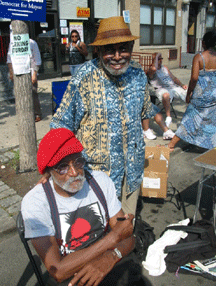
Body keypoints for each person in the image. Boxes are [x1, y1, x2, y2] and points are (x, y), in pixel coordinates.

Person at [49, 16, 156, 216]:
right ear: (99, 50)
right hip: (96, 179)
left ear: (132, 46)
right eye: (109, 50)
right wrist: (51, 168)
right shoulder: (84, 77)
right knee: (99, 237)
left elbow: (145, 112)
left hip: (131, 172)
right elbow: (60, 126)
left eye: (123, 48)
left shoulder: (138, 74)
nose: (117, 56)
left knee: (126, 228)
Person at [21, 128, 136, 286]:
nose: (74, 172)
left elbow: (128, 237)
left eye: (78, 162)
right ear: (49, 171)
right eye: (62, 167)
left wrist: (110, 257)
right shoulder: (36, 202)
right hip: (72, 274)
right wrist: (111, 238)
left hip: (109, 259)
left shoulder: (100, 181)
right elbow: (58, 271)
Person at [168, 30, 216, 152]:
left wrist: (189, 93)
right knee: (210, 120)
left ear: (203, 43)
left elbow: (194, 78)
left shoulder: (199, 57)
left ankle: (172, 144)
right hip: (213, 93)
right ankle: (210, 145)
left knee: (189, 119)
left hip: (201, 95)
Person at [147, 53, 188, 128]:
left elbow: (174, 78)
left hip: (173, 88)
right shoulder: (151, 70)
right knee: (166, 95)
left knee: (188, 93)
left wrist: (182, 85)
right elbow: (154, 69)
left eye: (161, 59)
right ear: (154, 61)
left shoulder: (165, 67)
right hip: (160, 89)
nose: (160, 61)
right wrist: (156, 57)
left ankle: (192, 114)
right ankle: (168, 117)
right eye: (158, 59)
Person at [7, 38, 42, 122]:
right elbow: (9, 59)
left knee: (33, 93)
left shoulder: (32, 43)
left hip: (30, 72)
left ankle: (37, 113)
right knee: (21, 95)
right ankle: (25, 114)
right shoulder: (12, 43)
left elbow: (37, 59)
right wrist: (11, 72)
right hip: (18, 73)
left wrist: (34, 74)